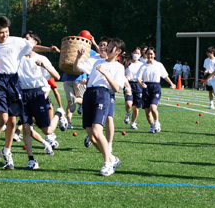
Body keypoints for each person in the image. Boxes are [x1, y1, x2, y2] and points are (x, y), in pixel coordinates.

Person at [0, 16, 57, 170]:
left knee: (13, 121)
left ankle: (7, 152)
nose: (5, 35)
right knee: (4, 117)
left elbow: (32, 48)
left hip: (14, 81)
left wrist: (49, 49)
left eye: (6, 31)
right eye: (1, 32)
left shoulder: (16, 41)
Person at [74, 38, 127, 176]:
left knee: (97, 131)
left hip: (103, 94)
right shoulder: (96, 61)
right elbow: (76, 69)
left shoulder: (119, 67)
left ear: (118, 52)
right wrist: (78, 57)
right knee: (91, 136)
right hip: (89, 94)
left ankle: (107, 164)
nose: (107, 49)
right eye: (107, 46)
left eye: (111, 47)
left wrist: (105, 73)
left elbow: (116, 88)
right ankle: (112, 158)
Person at [18, 32, 65, 169]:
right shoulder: (18, 56)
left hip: (37, 94)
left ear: (35, 43)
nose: (24, 41)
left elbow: (57, 76)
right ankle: (31, 159)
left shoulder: (41, 58)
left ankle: (59, 114)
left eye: (27, 39)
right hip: (22, 94)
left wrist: (44, 66)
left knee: (47, 131)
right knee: (26, 128)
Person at [137, 47, 176, 133]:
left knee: (153, 108)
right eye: (148, 54)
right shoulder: (143, 66)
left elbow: (165, 75)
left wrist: (171, 83)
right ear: (145, 55)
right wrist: (141, 84)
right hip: (146, 88)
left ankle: (156, 122)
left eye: (151, 54)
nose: (150, 56)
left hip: (155, 87)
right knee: (147, 111)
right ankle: (152, 126)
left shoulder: (159, 65)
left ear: (154, 55)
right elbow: (138, 78)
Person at [125, 47, 144, 130]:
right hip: (128, 84)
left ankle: (133, 123)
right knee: (129, 104)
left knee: (136, 107)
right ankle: (127, 113)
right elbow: (122, 73)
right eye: (135, 53)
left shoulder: (141, 65)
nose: (136, 55)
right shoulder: (127, 63)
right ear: (132, 53)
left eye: (138, 53)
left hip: (138, 85)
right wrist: (125, 77)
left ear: (140, 55)